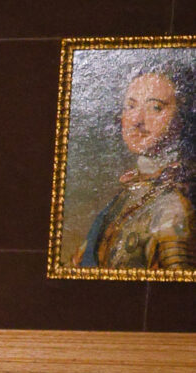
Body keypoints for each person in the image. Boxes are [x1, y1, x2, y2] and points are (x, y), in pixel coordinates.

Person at [71, 63, 196, 272]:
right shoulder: (131, 192)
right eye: (130, 106)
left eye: (155, 107)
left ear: (182, 119)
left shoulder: (174, 206)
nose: (137, 120)